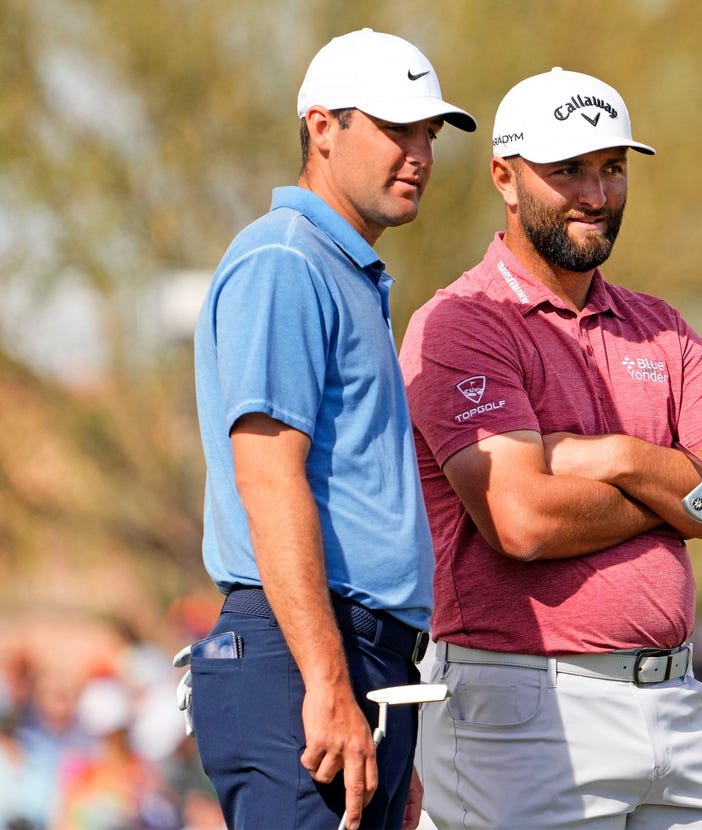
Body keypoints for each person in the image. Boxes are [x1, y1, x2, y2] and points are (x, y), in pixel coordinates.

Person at [400, 66, 702, 829]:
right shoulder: (464, 324)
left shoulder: (661, 327)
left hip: (675, 701)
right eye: (567, 170)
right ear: (505, 177)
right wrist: (681, 500)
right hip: (524, 708)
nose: (597, 196)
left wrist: (623, 459)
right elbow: (523, 521)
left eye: (611, 169)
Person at [191, 28, 475, 830]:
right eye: (396, 127)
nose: (419, 151)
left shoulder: (343, 270)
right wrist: (327, 682)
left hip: (352, 662)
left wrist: (389, 721)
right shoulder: (287, 259)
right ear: (322, 127)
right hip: (300, 657)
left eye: (428, 132)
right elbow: (268, 477)